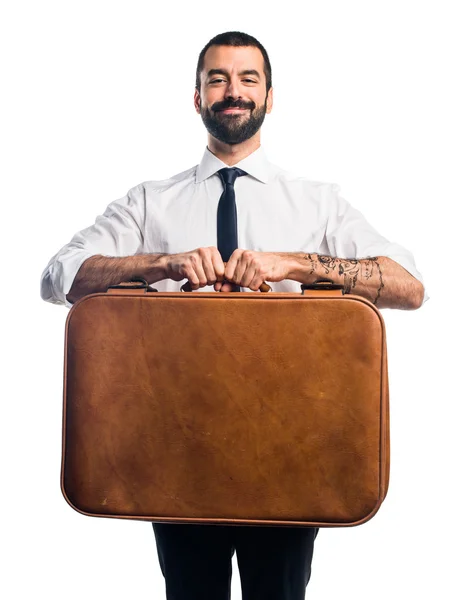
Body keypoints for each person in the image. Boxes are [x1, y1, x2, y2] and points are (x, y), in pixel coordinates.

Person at [40, 30, 427, 600]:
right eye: (217, 78)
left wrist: (293, 263)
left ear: (270, 96)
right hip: (176, 443)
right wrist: (160, 264)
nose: (233, 91)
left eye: (248, 79)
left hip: (290, 444)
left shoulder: (318, 202)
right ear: (197, 98)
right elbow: (56, 276)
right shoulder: (149, 201)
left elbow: (408, 286)